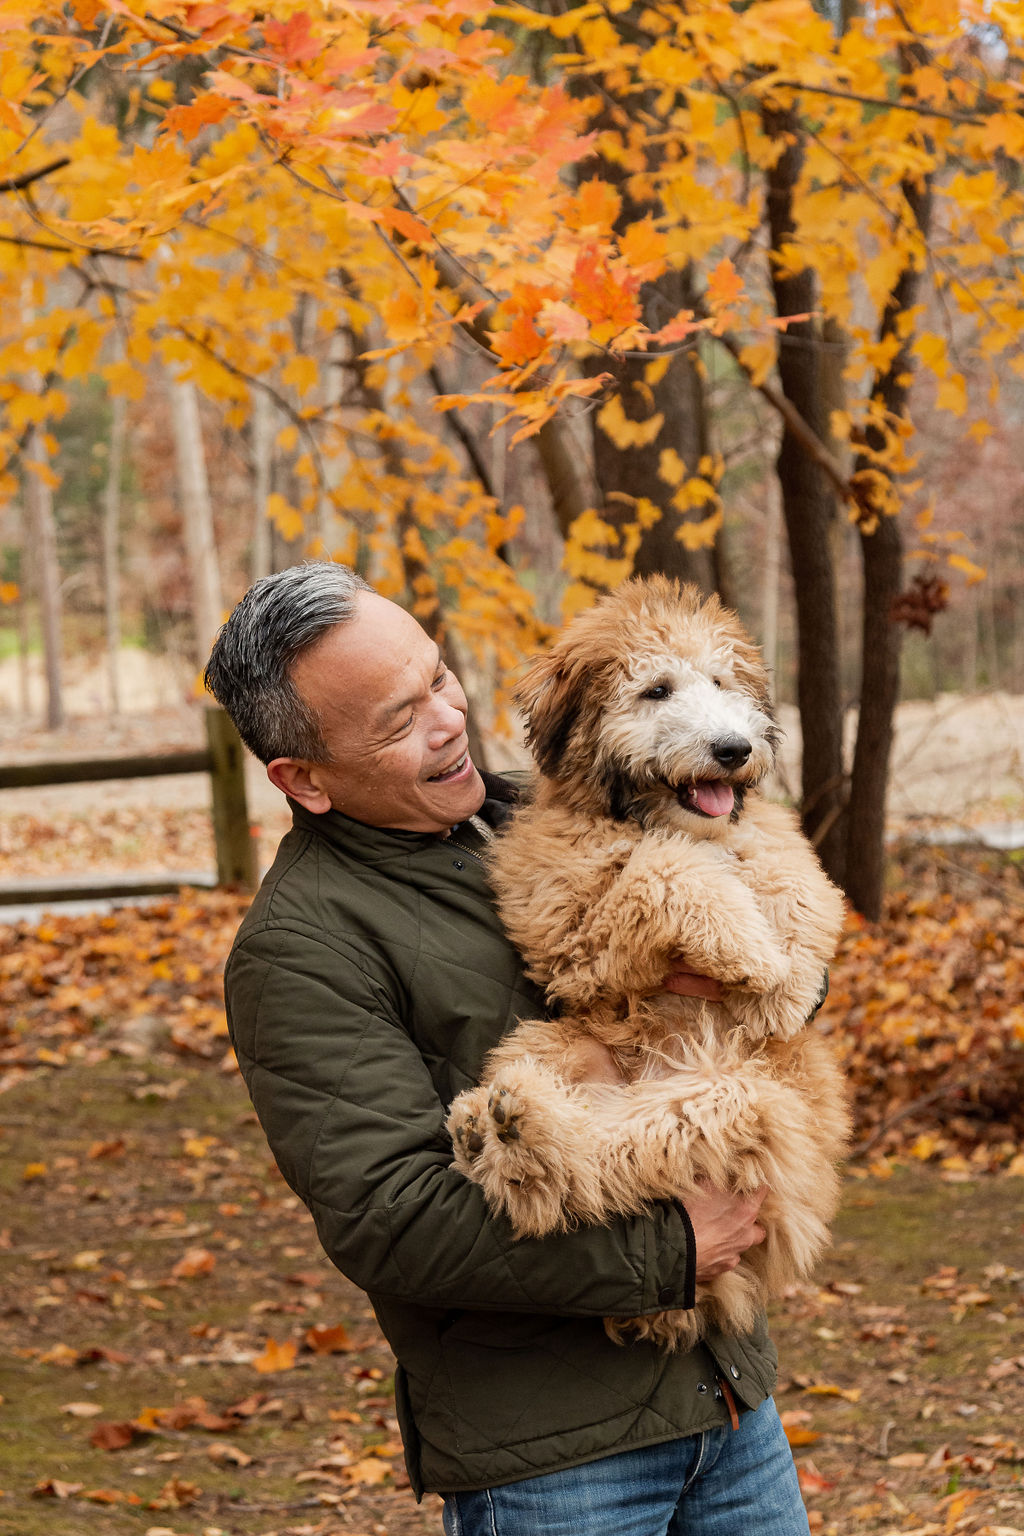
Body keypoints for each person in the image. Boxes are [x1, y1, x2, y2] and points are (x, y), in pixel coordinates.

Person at [204, 561, 812, 1536]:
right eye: (397, 721)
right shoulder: (301, 947)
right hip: (553, 1462)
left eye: (438, 677)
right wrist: (673, 1248)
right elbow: (390, 1217)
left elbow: (765, 919)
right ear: (302, 779)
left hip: (725, 1399)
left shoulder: (551, 808)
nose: (448, 721)